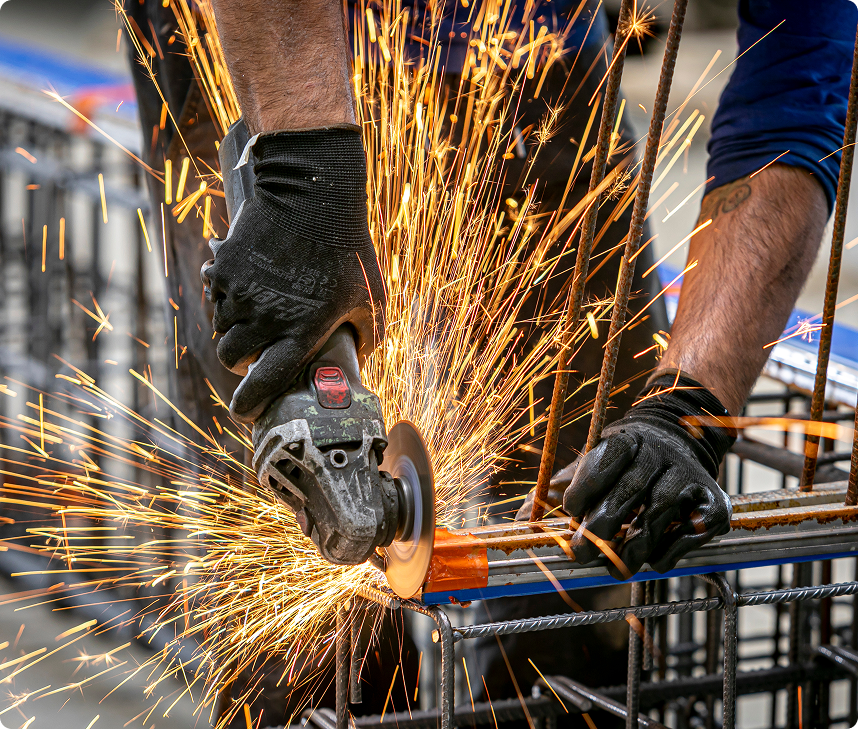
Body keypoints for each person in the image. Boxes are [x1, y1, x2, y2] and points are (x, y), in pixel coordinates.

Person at [123, 0, 858, 726]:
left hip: (533, 40)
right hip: (254, 32)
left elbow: (795, 101)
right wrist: (299, 175)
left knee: (595, 550)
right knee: (296, 577)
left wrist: (686, 406)